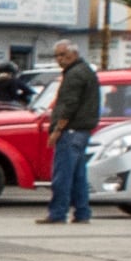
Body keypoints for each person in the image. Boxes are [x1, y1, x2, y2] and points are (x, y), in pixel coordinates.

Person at [40, 42, 101, 224]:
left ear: (73, 54)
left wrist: (57, 130)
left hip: (71, 131)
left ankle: (58, 213)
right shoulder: (85, 71)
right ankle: (82, 213)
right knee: (78, 176)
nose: (59, 59)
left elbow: (69, 105)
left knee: (63, 175)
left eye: (63, 54)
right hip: (82, 131)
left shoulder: (74, 75)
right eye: (57, 55)